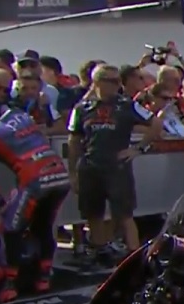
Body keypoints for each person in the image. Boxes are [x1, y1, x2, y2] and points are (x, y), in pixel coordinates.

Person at [0, 107, 70, 302]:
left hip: (35, 178)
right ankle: (43, 278)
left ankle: (9, 284)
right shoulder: (17, 120)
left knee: (11, 229)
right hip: (60, 173)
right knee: (42, 226)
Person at [66, 63, 161, 267]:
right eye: (111, 81)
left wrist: (138, 148)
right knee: (93, 214)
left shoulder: (127, 105)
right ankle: (100, 252)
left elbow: (156, 124)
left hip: (117, 168)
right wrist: (72, 172)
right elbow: (73, 140)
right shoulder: (82, 108)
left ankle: (135, 257)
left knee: (124, 215)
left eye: (118, 81)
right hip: (90, 166)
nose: (117, 85)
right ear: (97, 82)